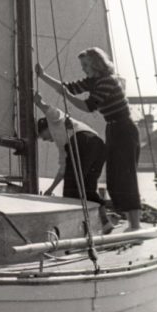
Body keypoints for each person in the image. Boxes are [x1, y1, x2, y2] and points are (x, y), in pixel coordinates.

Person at [36, 47, 141, 230]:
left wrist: (67, 96)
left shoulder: (107, 82)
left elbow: (88, 106)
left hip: (124, 129)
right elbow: (68, 87)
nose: (83, 69)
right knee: (114, 178)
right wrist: (43, 76)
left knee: (125, 176)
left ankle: (135, 225)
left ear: (95, 64)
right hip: (113, 128)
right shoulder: (94, 81)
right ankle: (130, 222)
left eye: (85, 65)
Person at [34, 92, 110, 225]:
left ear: (45, 128)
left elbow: (51, 111)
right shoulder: (63, 145)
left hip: (81, 141)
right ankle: (105, 222)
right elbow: (63, 169)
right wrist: (51, 189)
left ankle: (72, 226)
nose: (46, 140)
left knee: (71, 190)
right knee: (87, 188)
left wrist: (39, 103)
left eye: (43, 136)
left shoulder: (54, 122)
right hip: (99, 146)